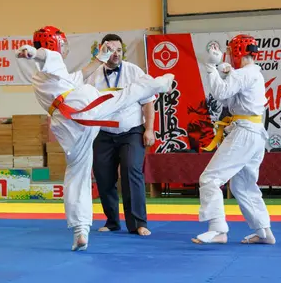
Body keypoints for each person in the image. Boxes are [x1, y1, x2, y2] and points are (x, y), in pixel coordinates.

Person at [16, 25, 174, 251]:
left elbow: (80, 75)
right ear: (56, 45)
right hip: (80, 108)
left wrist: (100, 58)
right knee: (124, 96)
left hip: (67, 126)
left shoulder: (43, 78)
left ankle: (80, 230)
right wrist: (32, 52)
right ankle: (162, 83)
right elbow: (44, 54)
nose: (66, 48)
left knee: (76, 175)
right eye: (64, 44)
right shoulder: (52, 59)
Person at [192, 34, 275, 245]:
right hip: (254, 132)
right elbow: (228, 99)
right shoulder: (252, 73)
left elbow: (220, 93)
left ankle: (218, 229)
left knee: (210, 178)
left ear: (237, 52)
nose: (228, 55)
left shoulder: (245, 73)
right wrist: (223, 71)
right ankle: (264, 232)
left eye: (230, 51)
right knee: (244, 184)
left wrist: (211, 67)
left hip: (245, 132)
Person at [86, 34, 154, 236]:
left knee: (131, 171)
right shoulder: (94, 75)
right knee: (103, 175)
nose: (115, 54)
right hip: (103, 133)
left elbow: (148, 102)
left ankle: (138, 223)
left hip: (131, 131)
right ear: (101, 51)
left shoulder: (134, 71)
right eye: (110, 50)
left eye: (119, 50)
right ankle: (112, 221)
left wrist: (149, 129)